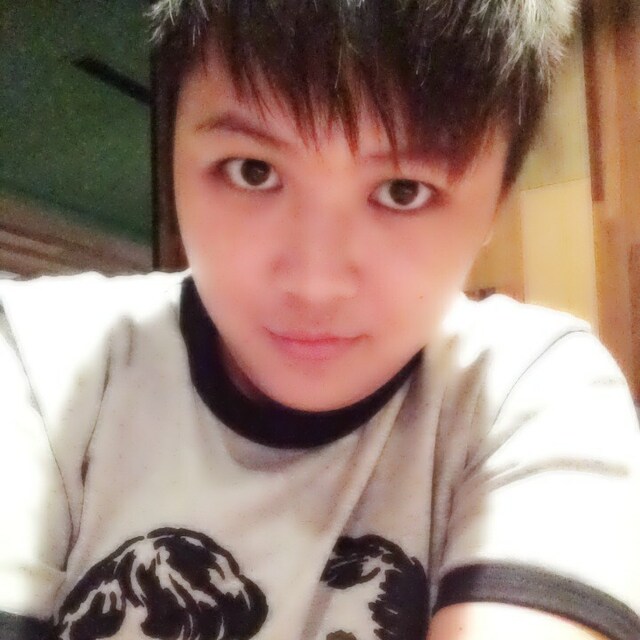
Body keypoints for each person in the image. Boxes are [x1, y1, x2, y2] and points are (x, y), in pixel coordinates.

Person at [1, 1, 639, 639]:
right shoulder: (37, 356)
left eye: (403, 190)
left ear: (495, 203)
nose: (315, 284)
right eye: (253, 171)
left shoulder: (533, 392)